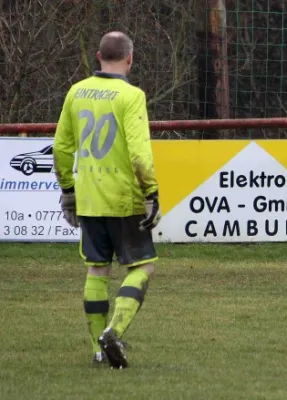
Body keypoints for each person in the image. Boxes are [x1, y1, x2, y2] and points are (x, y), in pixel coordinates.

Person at [53, 31, 162, 368]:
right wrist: (151, 192)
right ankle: (113, 331)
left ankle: (99, 349)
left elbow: (60, 147)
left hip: (88, 196)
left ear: (99, 57)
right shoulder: (131, 96)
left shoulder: (76, 91)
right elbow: (140, 154)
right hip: (122, 195)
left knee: (97, 269)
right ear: (129, 59)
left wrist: (69, 190)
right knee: (143, 266)